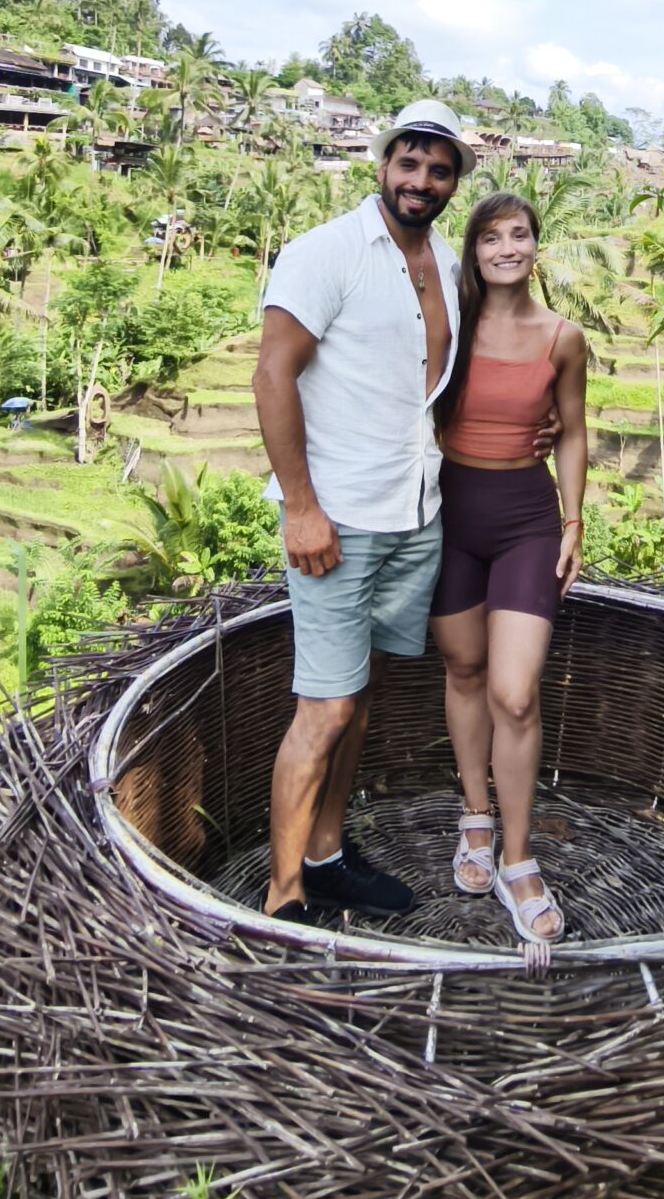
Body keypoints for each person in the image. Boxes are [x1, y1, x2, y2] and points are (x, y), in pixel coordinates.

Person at [252, 98, 475, 924]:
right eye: (408, 163)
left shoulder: (445, 262)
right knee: (325, 708)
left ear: (453, 183)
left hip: (414, 514)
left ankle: (327, 856)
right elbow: (272, 374)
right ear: (382, 165)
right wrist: (301, 508)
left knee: (363, 694)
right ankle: (283, 898)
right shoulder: (326, 252)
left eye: (438, 169)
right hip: (337, 519)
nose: (421, 180)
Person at [429, 191, 588, 945]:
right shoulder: (446, 325)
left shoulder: (563, 336)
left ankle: (518, 861)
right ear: (473, 250)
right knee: (464, 670)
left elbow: (573, 431)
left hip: (527, 520)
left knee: (515, 694)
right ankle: (476, 818)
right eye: (490, 238)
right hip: (446, 516)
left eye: (518, 235)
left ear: (535, 246)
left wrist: (574, 520)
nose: (505, 249)